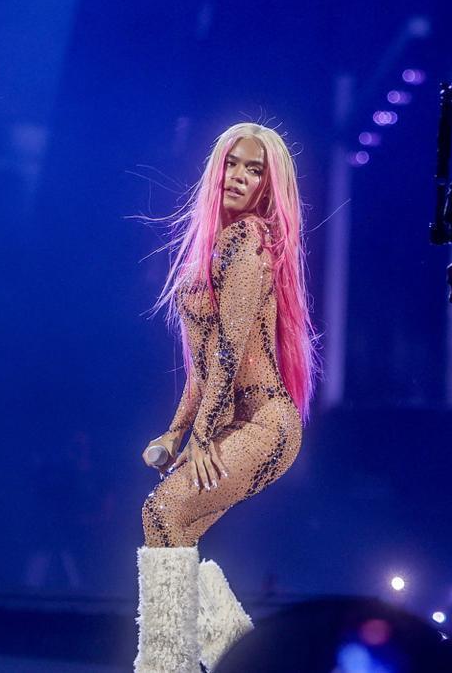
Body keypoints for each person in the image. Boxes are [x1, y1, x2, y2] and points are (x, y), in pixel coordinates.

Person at [135, 122, 317, 672]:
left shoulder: (249, 241)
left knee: (162, 512)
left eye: (253, 170)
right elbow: (201, 369)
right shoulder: (212, 249)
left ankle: (166, 665)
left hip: (263, 424)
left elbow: (229, 354)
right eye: (232, 164)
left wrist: (201, 437)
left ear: (268, 185)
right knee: (171, 530)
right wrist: (176, 431)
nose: (238, 177)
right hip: (233, 420)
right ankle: (241, 662)